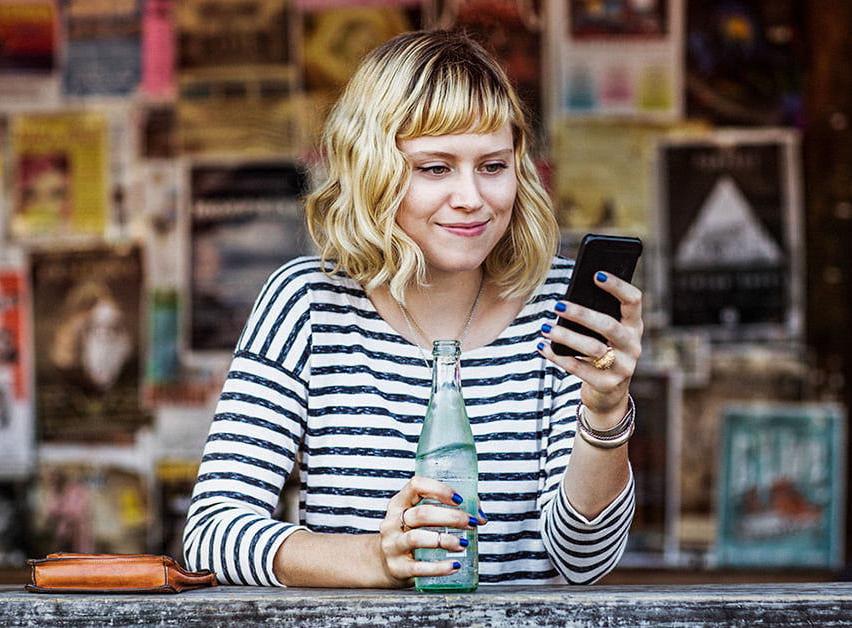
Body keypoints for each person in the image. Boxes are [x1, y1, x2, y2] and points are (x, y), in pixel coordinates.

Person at [184, 29, 642, 587]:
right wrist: (374, 559)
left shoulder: (558, 307)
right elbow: (211, 536)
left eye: (493, 166)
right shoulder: (306, 305)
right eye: (435, 168)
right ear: (371, 170)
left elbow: (583, 561)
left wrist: (605, 412)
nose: (472, 197)